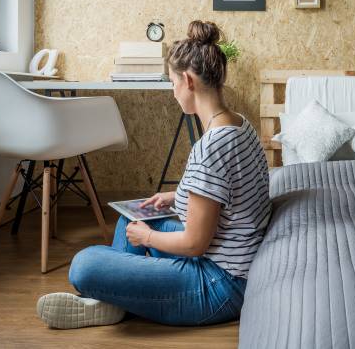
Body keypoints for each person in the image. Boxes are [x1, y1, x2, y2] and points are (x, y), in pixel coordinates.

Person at [36, 21, 271, 329]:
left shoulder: (210, 149)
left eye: (172, 83)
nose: (173, 92)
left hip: (219, 284)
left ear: (187, 80)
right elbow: (228, 193)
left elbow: (194, 245)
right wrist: (177, 196)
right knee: (133, 216)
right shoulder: (239, 124)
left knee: (84, 265)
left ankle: (113, 301)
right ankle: (115, 303)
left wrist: (147, 237)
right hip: (227, 265)